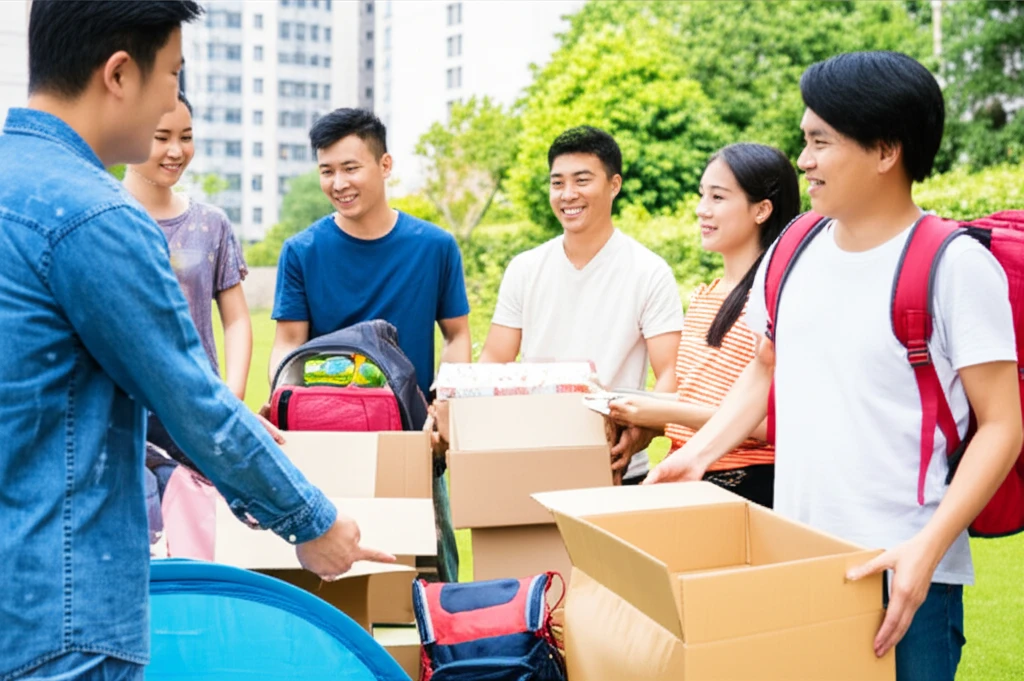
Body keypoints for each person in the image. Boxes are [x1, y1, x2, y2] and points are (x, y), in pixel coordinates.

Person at [0, 3, 391, 679]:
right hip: (63, 614)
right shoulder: (94, 215)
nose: (174, 98)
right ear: (120, 74)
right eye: (173, 74)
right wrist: (315, 524)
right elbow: (189, 403)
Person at [646, 51, 1022, 681]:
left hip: (902, 574)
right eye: (804, 140)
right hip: (796, 560)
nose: (803, 161)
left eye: (820, 142)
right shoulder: (793, 247)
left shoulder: (954, 267)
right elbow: (766, 366)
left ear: (884, 151)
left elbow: (1003, 425)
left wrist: (926, 552)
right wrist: (699, 452)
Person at [268, 108, 470, 581]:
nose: (338, 182)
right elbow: (288, 343)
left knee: (429, 579)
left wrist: (443, 406)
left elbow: (457, 334)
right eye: (326, 170)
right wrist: (280, 404)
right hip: (325, 438)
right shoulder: (302, 251)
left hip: (410, 440)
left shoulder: (434, 246)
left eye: (350, 167)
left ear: (385, 165)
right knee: (330, 584)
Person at [479, 126, 683, 483]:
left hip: (614, 462)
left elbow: (670, 373)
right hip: (533, 459)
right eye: (557, 183)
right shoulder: (525, 268)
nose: (567, 194)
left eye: (582, 180)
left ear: (614, 185)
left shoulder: (649, 271)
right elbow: (495, 360)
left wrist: (642, 431)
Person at [609, 143, 799, 506]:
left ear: (762, 209)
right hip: (686, 473)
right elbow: (697, 400)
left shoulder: (776, 303)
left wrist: (660, 411)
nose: (702, 210)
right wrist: (638, 418)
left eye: (718, 197)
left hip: (745, 483)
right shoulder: (704, 295)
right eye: (702, 195)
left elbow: (765, 424)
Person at [123, 91, 252, 473]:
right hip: (122, 416)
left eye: (186, 136)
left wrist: (233, 395)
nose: (176, 150)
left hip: (200, 413)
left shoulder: (211, 223)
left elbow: (237, 319)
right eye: (161, 137)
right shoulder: (104, 217)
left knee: (201, 524)